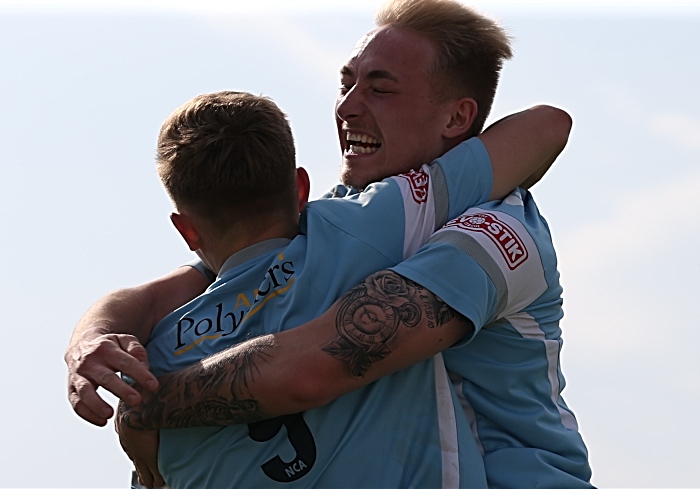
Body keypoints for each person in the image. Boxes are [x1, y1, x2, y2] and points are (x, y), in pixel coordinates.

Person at [66, 0, 592, 487]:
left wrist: (146, 406)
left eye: (379, 89)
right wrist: (94, 339)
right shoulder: (344, 216)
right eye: (347, 84)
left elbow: (316, 366)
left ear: (457, 117)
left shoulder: (498, 228)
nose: (347, 107)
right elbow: (182, 285)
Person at [116, 89, 560, 489]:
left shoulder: (156, 359)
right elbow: (547, 125)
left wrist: (139, 401)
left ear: (187, 230)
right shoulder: (371, 229)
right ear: (302, 188)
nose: (350, 103)